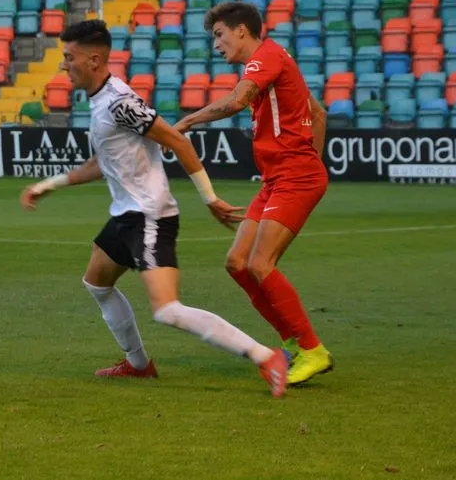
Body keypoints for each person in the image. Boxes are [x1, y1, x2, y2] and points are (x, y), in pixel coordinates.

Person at [20, 20, 288, 398]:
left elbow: (176, 139)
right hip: (125, 214)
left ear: (94, 59)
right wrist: (47, 186)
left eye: (70, 57)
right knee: (96, 283)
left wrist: (210, 198)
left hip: (148, 215)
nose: (64, 65)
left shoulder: (119, 103)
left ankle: (266, 357)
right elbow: (102, 164)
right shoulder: (100, 101)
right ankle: (139, 365)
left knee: (167, 309)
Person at [172, 1, 333, 385]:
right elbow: (320, 112)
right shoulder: (274, 61)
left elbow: (236, 101)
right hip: (278, 177)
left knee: (260, 264)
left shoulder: (266, 58)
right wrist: (312, 159)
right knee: (237, 263)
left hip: (294, 176)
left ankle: (312, 350)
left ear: (241, 30)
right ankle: (294, 341)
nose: (216, 45)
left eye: (219, 35)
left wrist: (186, 122)